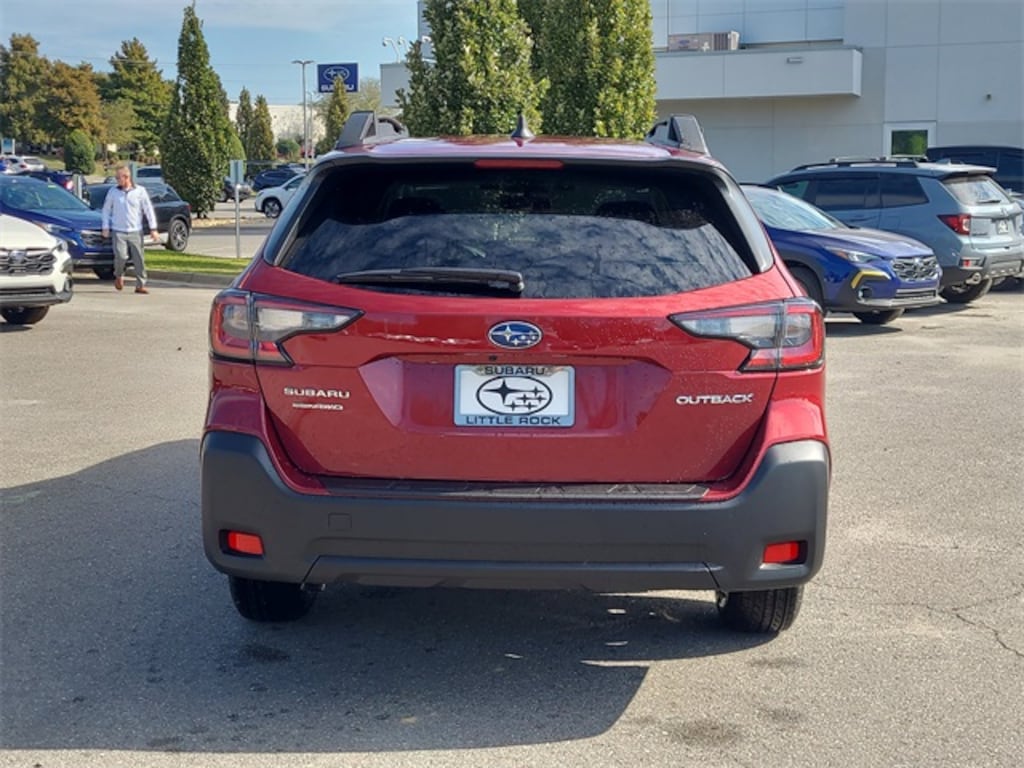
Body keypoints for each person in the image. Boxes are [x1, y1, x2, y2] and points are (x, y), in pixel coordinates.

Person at [101, 164, 159, 294]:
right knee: (121, 256)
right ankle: (119, 275)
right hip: (118, 230)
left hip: (135, 230)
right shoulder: (113, 192)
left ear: (127, 177)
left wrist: (153, 228)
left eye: (119, 178)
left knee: (139, 258)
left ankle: (140, 284)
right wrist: (105, 227)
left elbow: (148, 209)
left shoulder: (140, 191)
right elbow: (106, 210)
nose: (117, 180)